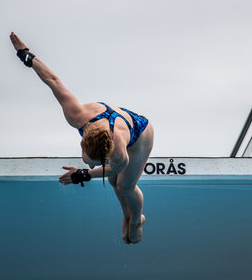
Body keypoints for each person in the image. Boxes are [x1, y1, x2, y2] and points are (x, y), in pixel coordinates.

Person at [10, 32, 154, 244]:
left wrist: (84, 174)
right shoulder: (76, 115)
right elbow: (53, 80)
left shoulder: (119, 152)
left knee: (124, 185)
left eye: (93, 161)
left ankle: (136, 220)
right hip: (113, 124)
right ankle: (126, 215)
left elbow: (112, 168)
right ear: (82, 140)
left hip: (140, 134)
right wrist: (26, 55)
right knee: (113, 181)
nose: (86, 161)